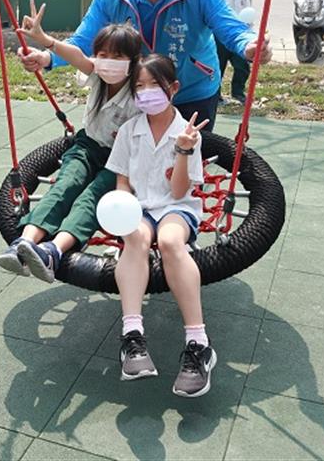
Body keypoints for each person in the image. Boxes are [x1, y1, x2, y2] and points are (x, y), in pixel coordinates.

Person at [18, 0, 271, 131]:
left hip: (192, 91)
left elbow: (230, 27)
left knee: (190, 159)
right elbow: (84, 40)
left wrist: (250, 45)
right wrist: (47, 57)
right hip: (138, 92)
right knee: (138, 158)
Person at [0, 0, 142, 283]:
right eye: (103, 54)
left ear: (133, 61)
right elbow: (76, 56)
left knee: (92, 197)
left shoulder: (139, 89)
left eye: (118, 56)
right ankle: (24, 242)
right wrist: (45, 41)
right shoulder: (98, 75)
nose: (108, 61)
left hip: (121, 158)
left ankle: (54, 249)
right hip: (88, 146)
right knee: (66, 184)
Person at [105, 53, 214, 398]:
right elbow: (123, 181)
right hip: (139, 207)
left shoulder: (187, 134)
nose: (146, 92)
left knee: (169, 241)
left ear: (173, 87)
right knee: (135, 239)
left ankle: (198, 342)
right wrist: (122, 209)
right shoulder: (129, 131)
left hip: (175, 207)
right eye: (140, 86)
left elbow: (180, 191)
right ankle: (132, 336)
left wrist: (183, 151)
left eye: (155, 85)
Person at [214, 0, 251, 103]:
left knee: (242, 65)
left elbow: (246, 6)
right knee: (218, 66)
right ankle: (216, 95)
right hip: (221, 33)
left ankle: (238, 92)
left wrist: (248, 27)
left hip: (239, 32)